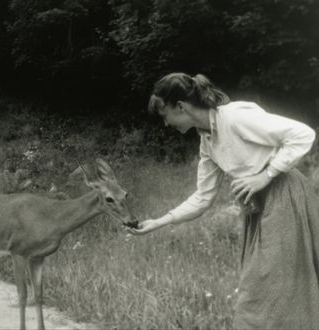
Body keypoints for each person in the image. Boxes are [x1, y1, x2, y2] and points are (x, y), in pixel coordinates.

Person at [127, 72, 319, 329]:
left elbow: (302, 134)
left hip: (285, 200)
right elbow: (202, 198)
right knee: (266, 290)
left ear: (181, 106)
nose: (166, 124)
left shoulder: (234, 117)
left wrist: (266, 176)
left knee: (270, 290)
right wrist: (159, 222)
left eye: (165, 116)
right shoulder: (207, 141)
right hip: (259, 210)